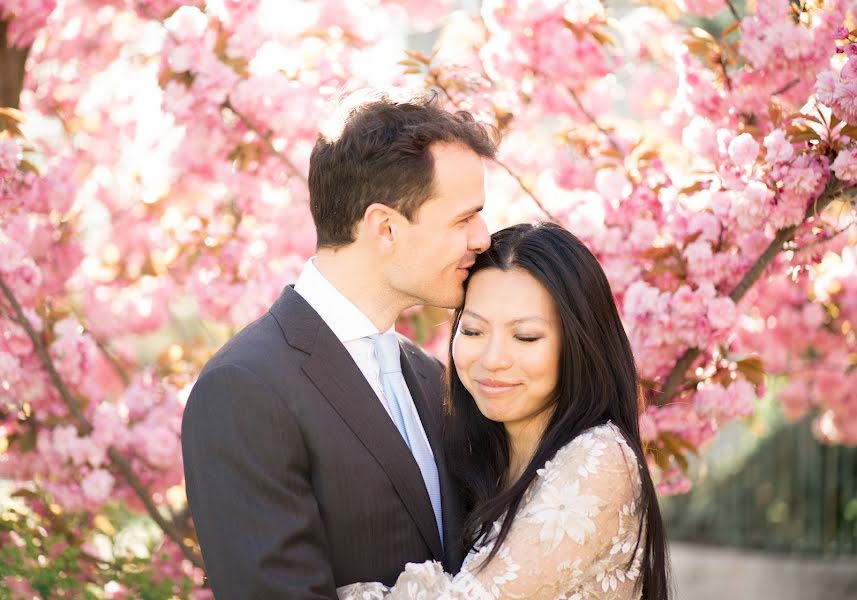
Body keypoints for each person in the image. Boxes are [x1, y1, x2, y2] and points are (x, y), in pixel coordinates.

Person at [181, 90, 498, 599]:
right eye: (464, 219)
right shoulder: (244, 389)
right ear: (385, 227)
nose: (483, 237)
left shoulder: (428, 374)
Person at [338, 222, 671, 599]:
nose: (492, 360)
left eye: (525, 337)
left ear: (579, 344)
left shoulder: (599, 458)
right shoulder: (479, 453)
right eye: (474, 332)